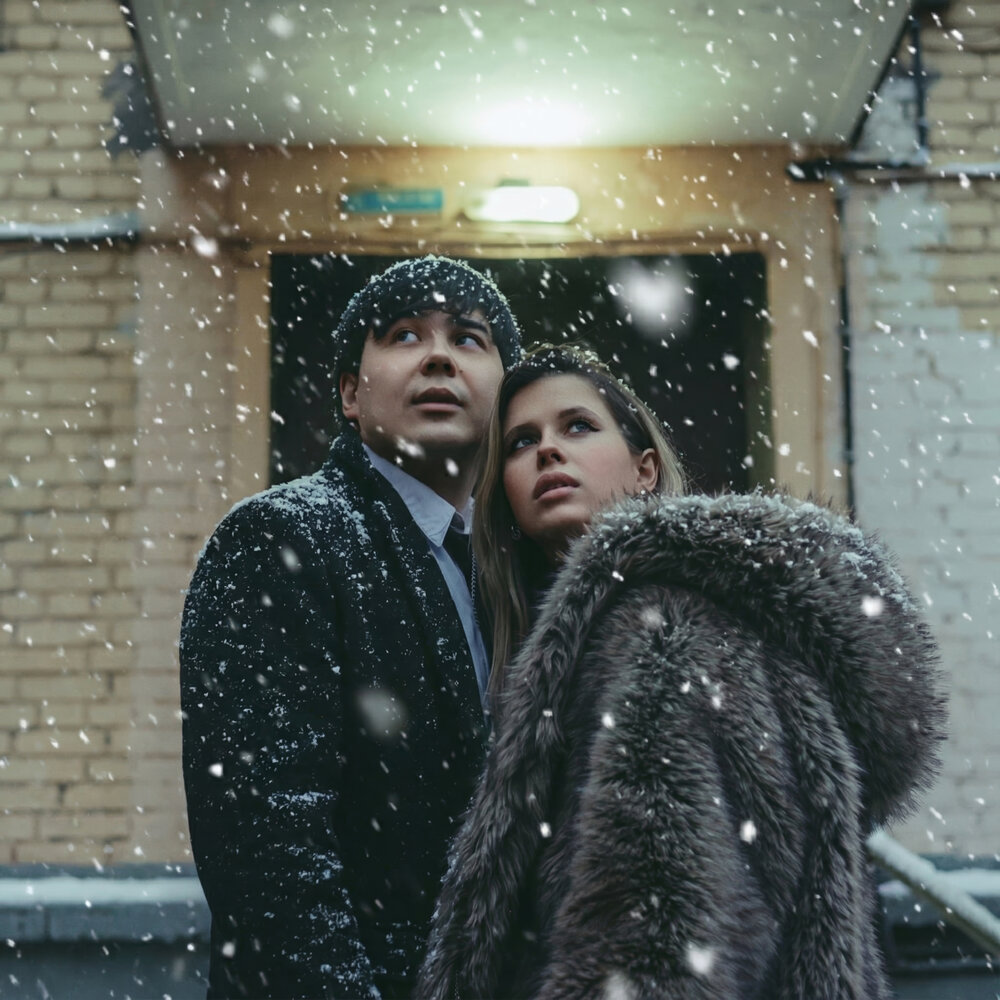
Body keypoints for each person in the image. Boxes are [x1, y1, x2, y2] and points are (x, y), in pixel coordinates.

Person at [417, 346, 945, 1000]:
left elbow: (655, 945)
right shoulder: (635, 632)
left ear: (645, 469)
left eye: (578, 426)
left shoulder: (658, 632)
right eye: (523, 442)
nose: (547, 450)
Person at [180, 255, 521, 999]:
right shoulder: (280, 540)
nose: (439, 356)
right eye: (404, 335)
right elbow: (269, 848)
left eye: (468, 338)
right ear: (349, 394)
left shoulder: (521, 568)